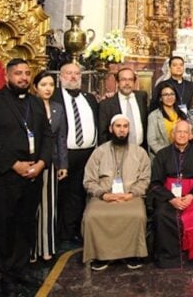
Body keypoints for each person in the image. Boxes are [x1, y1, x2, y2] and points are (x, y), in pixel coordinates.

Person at [0, 58, 53, 295]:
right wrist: (14, 165)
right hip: (2, 178)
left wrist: (42, 163)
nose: (24, 77)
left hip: (32, 175)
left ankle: (20, 270)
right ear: (6, 76)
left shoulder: (36, 102)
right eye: (18, 73)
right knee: (4, 228)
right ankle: (6, 276)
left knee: (25, 225)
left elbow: (47, 136)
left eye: (27, 73)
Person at [81, 114, 151, 271]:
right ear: (111, 129)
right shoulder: (99, 152)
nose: (122, 130)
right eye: (118, 126)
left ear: (129, 130)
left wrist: (131, 194)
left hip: (130, 196)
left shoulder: (139, 152)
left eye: (125, 126)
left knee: (137, 215)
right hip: (103, 196)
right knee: (92, 216)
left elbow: (145, 179)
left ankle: (132, 254)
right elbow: (89, 180)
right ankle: (101, 255)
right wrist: (103, 194)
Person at [150, 120, 193, 269]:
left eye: (186, 132)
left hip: (192, 196)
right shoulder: (162, 154)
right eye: (179, 132)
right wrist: (172, 199)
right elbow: (155, 183)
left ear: (190, 135)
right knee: (161, 215)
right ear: (173, 134)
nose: (182, 135)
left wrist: (191, 196)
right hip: (169, 197)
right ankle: (170, 259)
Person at [53, 62, 99, 243]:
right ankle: (56, 233)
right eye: (68, 73)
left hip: (87, 154)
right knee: (60, 194)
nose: (73, 77)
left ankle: (72, 231)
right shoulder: (54, 97)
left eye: (76, 74)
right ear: (60, 76)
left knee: (79, 193)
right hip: (63, 154)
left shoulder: (89, 98)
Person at [31, 71, 68, 262]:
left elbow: (61, 137)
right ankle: (31, 249)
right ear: (35, 87)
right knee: (31, 208)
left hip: (51, 162)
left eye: (51, 85)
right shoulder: (28, 105)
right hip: (30, 162)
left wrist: (63, 164)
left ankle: (46, 247)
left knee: (48, 207)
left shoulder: (57, 108)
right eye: (43, 85)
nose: (48, 89)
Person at [98, 67, 149, 149]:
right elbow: (102, 134)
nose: (127, 83)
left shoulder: (142, 97)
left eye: (130, 79)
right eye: (123, 79)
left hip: (141, 149)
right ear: (117, 82)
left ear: (134, 82)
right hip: (116, 150)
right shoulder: (106, 104)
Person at [146, 80, 188, 156]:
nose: (169, 97)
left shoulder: (182, 113)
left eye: (172, 94)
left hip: (182, 155)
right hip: (163, 156)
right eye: (166, 95)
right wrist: (167, 155)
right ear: (160, 98)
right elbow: (152, 141)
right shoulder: (154, 116)